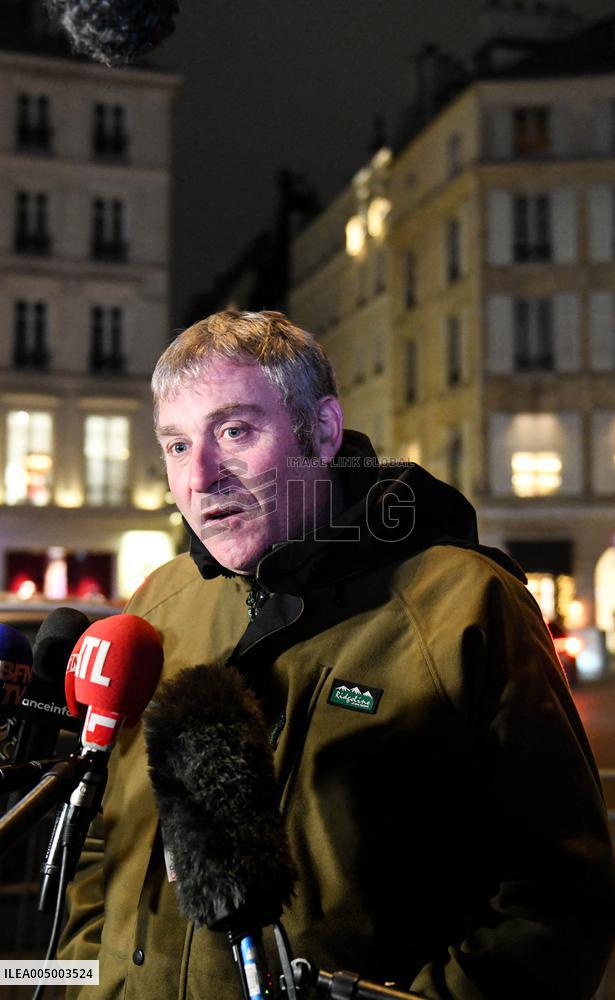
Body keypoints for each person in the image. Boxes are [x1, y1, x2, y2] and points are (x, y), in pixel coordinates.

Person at [60, 310, 615, 999]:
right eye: (175, 446)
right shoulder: (156, 604)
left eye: (233, 431)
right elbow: (98, 841)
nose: (200, 476)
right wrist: (84, 980)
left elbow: (558, 898)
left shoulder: (464, 605)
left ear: (320, 433)